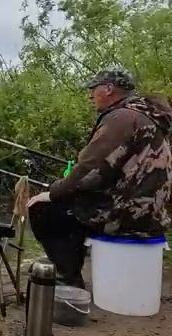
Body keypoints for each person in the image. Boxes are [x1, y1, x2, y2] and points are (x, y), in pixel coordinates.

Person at [26, 68, 172, 288]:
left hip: (130, 214)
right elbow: (107, 171)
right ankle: (77, 264)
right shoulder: (147, 115)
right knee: (69, 199)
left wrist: (54, 192)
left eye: (93, 89)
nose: (90, 95)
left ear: (109, 89)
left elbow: (89, 166)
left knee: (44, 209)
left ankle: (68, 279)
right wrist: (70, 186)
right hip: (154, 212)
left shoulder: (122, 117)